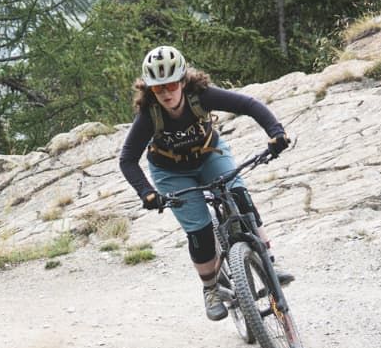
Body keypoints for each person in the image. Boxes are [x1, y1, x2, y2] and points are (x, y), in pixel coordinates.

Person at [117, 44, 292, 321]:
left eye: (171, 85)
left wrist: (276, 133)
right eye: (158, 88)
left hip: (209, 155)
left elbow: (249, 105)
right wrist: (147, 192)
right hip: (170, 172)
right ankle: (211, 288)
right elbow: (127, 159)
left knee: (239, 196)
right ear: (150, 89)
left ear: (182, 80)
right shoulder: (149, 116)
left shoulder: (201, 95)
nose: (166, 93)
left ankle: (269, 263)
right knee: (199, 231)